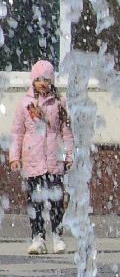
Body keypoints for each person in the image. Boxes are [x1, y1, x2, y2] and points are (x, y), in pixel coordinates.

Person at [9, 59, 74, 255]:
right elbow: (17, 133)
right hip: (32, 160)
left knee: (56, 200)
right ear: (32, 81)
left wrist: (70, 154)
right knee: (35, 201)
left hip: (54, 160)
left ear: (52, 81)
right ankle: (37, 237)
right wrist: (14, 156)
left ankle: (57, 235)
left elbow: (66, 132)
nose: (42, 83)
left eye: (46, 79)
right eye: (38, 79)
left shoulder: (58, 104)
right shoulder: (25, 104)